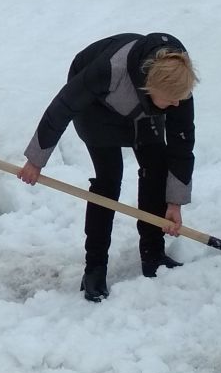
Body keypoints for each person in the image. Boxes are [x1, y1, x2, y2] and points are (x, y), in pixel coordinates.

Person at [21, 34, 198, 302]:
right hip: (95, 107)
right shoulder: (107, 70)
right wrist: (36, 160)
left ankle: (153, 256)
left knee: (155, 168)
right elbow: (63, 107)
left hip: (142, 108)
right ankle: (94, 269)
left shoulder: (176, 86)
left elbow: (181, 144)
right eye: (171, 101)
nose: (177, 105)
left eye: (180, 100)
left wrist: (174, 203)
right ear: (150, 87)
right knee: (108, 178)